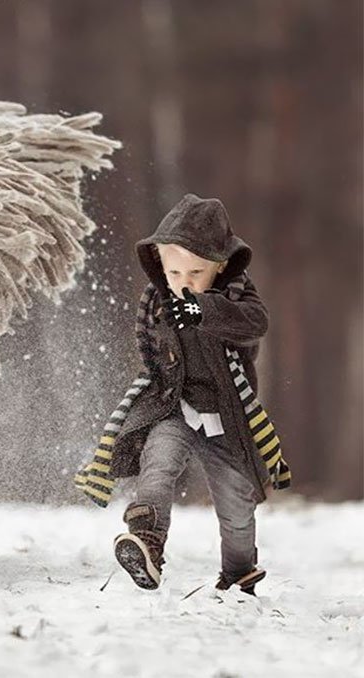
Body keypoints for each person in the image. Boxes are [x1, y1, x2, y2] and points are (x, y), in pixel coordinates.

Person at [74, 193, 291, 594]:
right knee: (158, 465)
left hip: (226, 415)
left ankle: (238, 572)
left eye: (196, 272)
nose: (184, 283)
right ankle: (147, 541)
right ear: (159, 264)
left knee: (237, 504)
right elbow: (150, 352)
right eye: (175, 273)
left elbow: (254, 324)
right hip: (173, 406)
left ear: (221, 267)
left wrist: (202, 311)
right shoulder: (156, 301)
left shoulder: (237, 296)